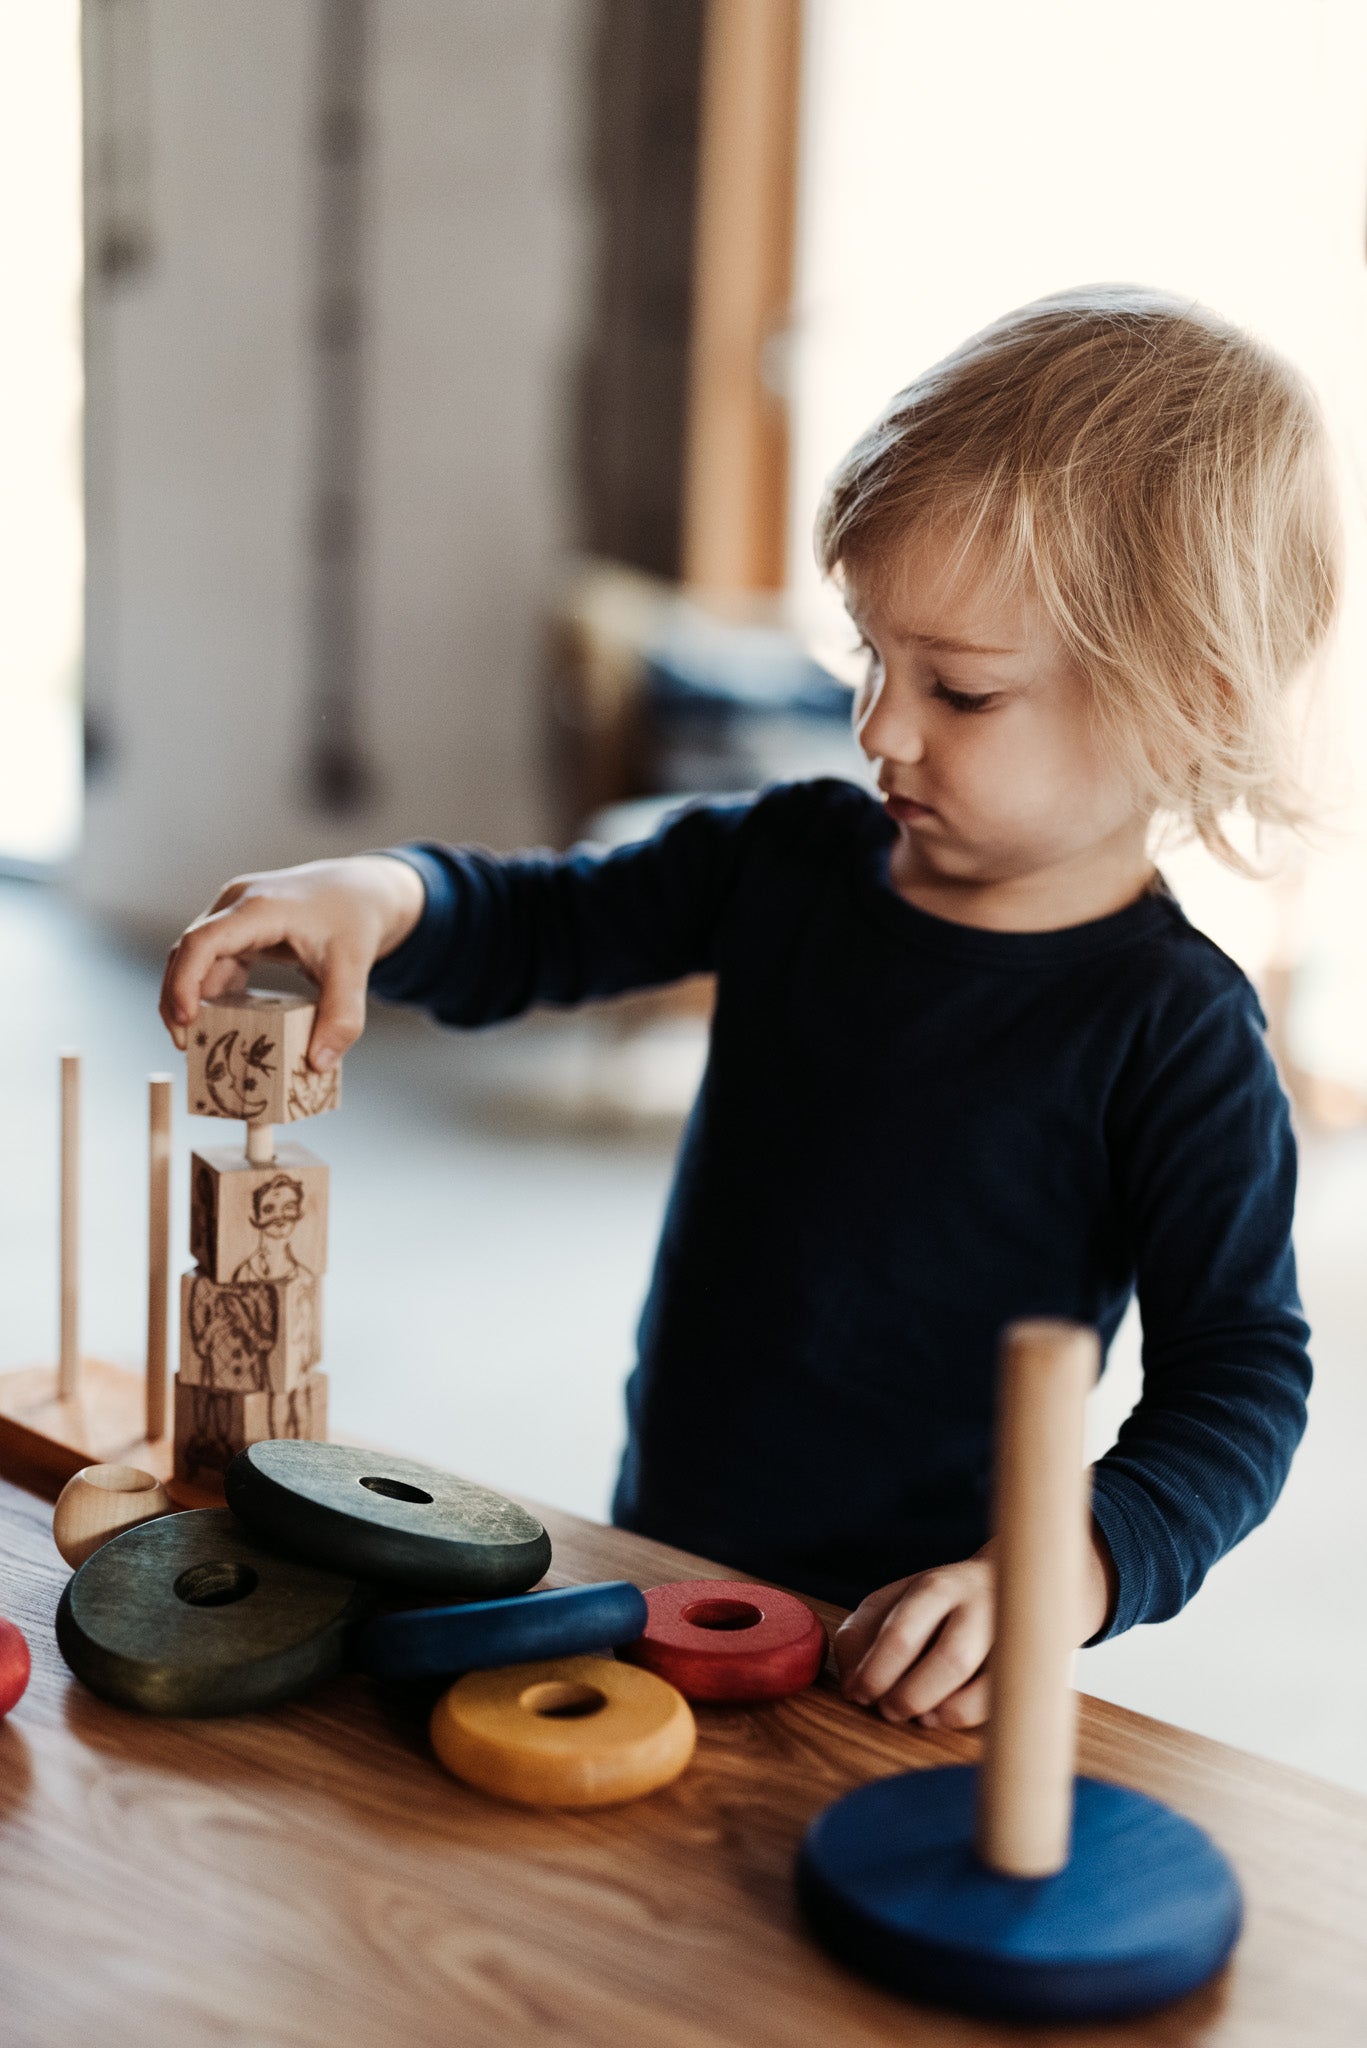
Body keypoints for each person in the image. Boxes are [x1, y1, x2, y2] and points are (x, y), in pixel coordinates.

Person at [159, 286, 1342, 1733]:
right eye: (870, 656)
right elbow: (547, 922)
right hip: (668, 1546)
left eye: (960, 693)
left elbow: (1240, 1382)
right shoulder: (789, 856)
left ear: (1186, 705)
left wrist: (1072, 1564)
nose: (879, 728)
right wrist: (386, 896)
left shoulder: (1179, 1033)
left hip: (911, 1641)